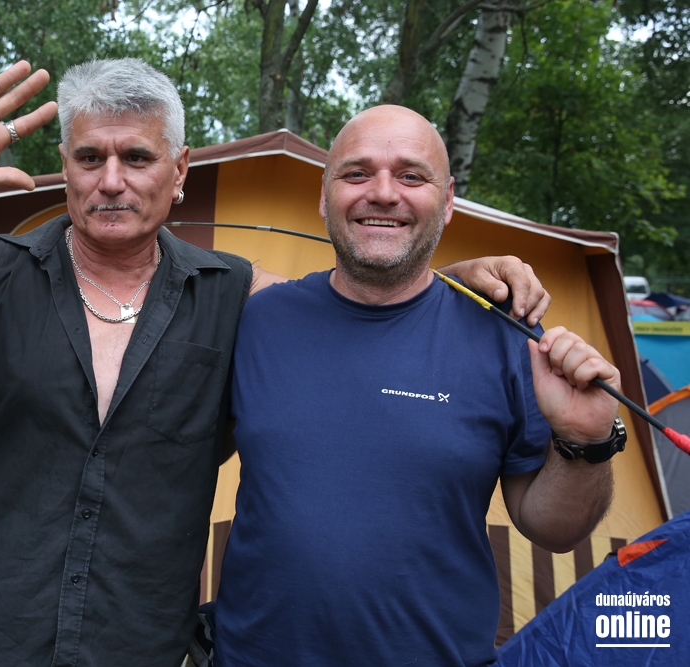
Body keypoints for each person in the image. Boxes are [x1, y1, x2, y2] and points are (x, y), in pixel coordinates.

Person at [0, 51, 550, 667]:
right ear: (66, 167)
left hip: (139, 645)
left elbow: (362, 304)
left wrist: (449, 282)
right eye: (90, 156)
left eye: (137, 157)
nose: (111, 180)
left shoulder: (237, 294)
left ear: (179, 172)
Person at [212, 105, 623, 667]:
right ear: (324, 195)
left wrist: (586, 441)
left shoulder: (505, 336)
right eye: (357, 173)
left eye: (411, 176)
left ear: (448, 200)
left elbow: (554, 530)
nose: (383, 193)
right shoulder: (258, 319)